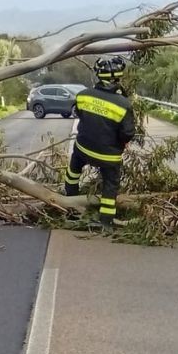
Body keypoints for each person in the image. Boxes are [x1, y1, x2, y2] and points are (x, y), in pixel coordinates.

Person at [65, 55, 136, 227]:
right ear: (119, 77)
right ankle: (106, 221)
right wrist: (121, 143)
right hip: (109, 156)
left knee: (73, 173)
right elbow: (128, 133)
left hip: (83, 148)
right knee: (110, 186)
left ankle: (70, 208)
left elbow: (79, 114)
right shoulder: (123, 104)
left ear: (98, 74)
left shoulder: (83, 96)